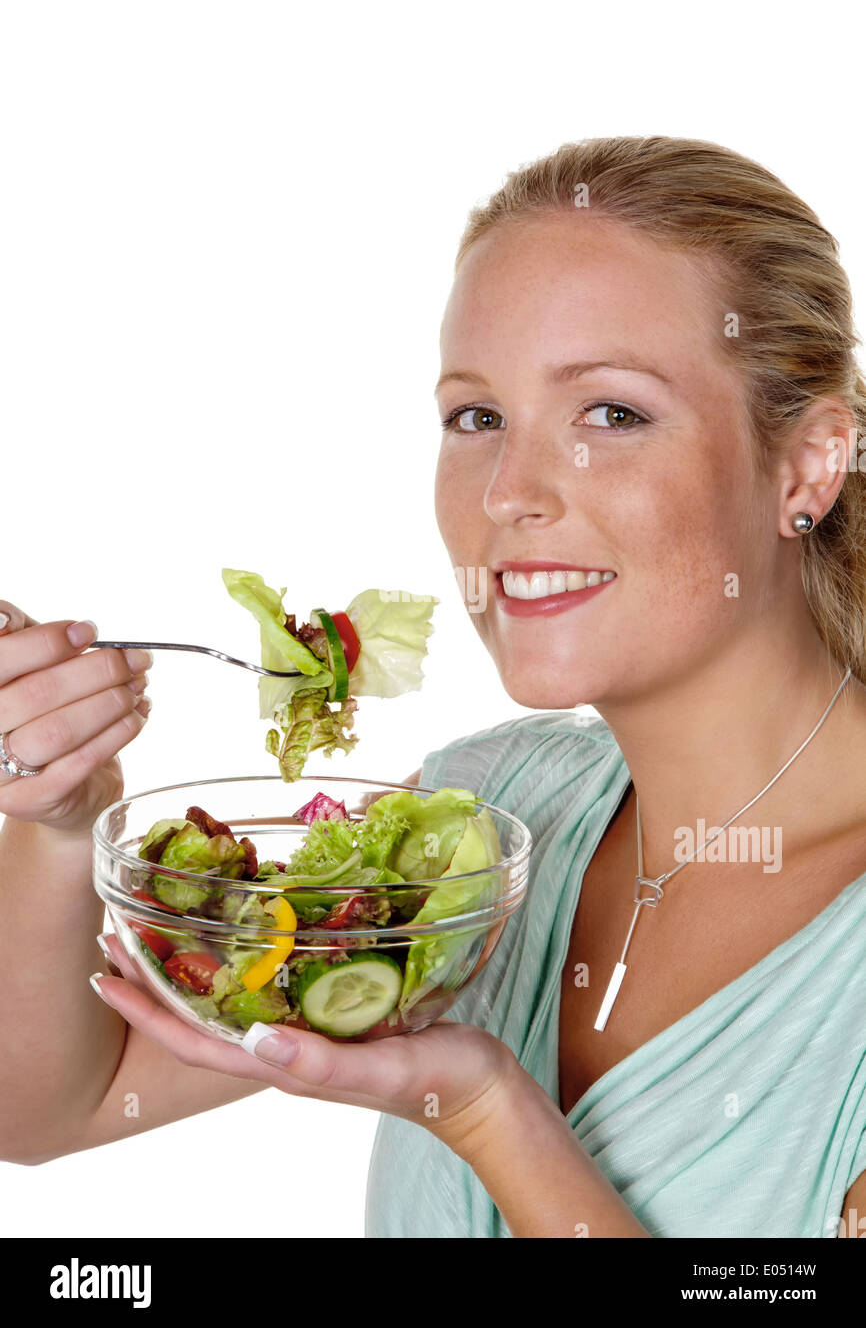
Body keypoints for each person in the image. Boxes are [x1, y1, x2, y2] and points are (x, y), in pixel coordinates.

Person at [2, 134, 865, 1239]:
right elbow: (46, 1106)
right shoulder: (479, 824)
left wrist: (486, 1108)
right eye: (475, 416)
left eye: (609, 412)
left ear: (805, 462)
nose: (507, 492)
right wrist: (64, 821)